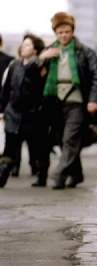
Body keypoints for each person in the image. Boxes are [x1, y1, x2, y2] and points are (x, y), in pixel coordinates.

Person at [39, 12, 97, 189]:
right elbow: (34, 77)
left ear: (72, 31)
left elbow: (96, 78)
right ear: (55, 33)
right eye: (60, 32)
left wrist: (93, 100)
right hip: (54, 102)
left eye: (67, 31)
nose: (63, 35)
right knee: (63, 139)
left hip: (76, 101)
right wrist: (42, 59)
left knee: (70, 138)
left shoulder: (85, 52)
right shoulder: (48, 52)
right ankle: (75, 174)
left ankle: (58, 174)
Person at [0, 34, 47, 188]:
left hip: (33, 115)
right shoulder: (14, 65)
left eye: (27, 45)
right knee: (9, 148)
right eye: (23, 44)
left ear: (35, 50)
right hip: (13, 113)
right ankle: (2, 176)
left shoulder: (41, 67)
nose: (23, 47)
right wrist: (2, 110)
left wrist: (39, 61)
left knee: (38, 148)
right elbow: (6, 90)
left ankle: (41, 175)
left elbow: (39, 88)